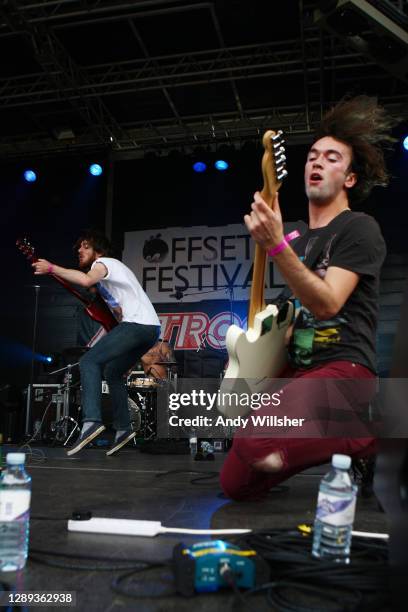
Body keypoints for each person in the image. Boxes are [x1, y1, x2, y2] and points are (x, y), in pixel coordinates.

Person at [220, 96, 395, 500]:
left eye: (332, 158)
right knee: (235, 482)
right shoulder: (303, 242)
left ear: (350, 178)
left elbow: (329, 303)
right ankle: (332, 448)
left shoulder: (359, 229)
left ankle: (365, 437)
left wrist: (277, 246)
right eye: (313, 155)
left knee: (256, 440)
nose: (317, 162)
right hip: (302, 375)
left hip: (345, 371)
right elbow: (288, 318)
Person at [32, 230, 161, 456]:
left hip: (138, 326)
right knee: (113, 372)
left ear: (98, 251)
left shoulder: (104, 262)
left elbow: (86, 279)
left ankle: (92, 421)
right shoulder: (111, 280)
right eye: (79, 248)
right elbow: (118, 312)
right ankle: (123, 428)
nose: (79, 251)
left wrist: (51, 268)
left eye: (85, 246)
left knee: (89, 361)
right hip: (150, 329)